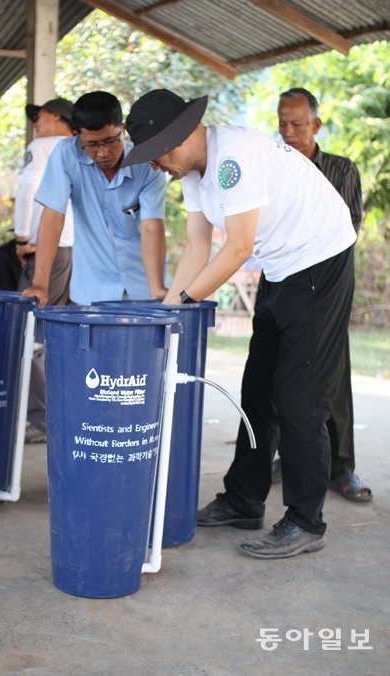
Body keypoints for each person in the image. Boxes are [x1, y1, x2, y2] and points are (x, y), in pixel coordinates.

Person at [122, 88, 356, 559]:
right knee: (256, 390)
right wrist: (165, 314)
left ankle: (306, 521)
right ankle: (245, 500)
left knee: (299, 398)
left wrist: (186, 300)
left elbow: (237, 248)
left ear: (181, 136)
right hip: (280, 267)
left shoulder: (236, 156)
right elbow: (196, 247)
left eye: (156, 154)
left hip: (319, 261)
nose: (154, 166)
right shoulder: (191, 170)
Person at [271, 87, 371, 503]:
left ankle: (342, 467)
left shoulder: (341, 170)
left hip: (326, 289)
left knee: (332, 380)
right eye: (282, 124)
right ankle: (290, 457)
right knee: (278, 379)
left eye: (298, 124)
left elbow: (344, 234)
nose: (290, 132)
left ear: (316, 125)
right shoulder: (272, 167)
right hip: (282, 285)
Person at [22, 91, 168, 308]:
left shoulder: (148, 164)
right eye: (91, 144)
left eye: (111, 141)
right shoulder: (66, 154)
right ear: (76, 136)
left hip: (145, 290)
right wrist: (40, 284)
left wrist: (157, 289)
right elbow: (53, 218)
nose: (102, 152)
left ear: (123, 129)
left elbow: (151, 226)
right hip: (92, 292)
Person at [14, 97, 75, 443]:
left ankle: (42, 419)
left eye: (39, 116)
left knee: (33, 336)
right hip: (73, 249)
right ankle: (60, 412)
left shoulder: (41, 147)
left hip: (46, 248)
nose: (35, 123)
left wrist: (22, 238)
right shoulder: (78, 148)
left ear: (55, 116)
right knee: (57, 334)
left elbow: (26, 191)